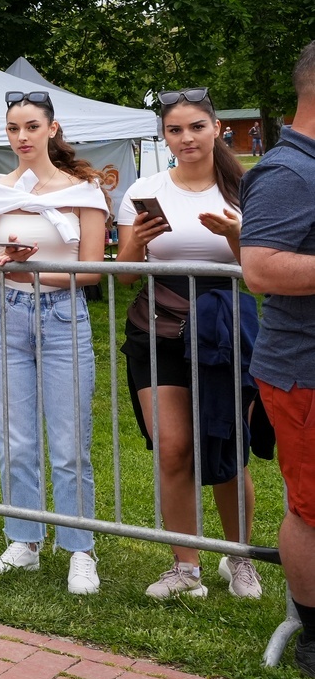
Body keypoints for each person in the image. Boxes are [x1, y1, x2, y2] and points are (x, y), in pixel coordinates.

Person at [116, 87, 263, 600]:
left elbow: (261, 272)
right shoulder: (145, 188)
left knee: (227, 444)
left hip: (224, 330)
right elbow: (123, 276)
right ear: (164, 136)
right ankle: (186, 566)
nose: (186, 138)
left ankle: (239, 558)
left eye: (197, 127)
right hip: (157, 329)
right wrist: (135, 243)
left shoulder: (246, 188)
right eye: (174, 130)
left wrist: (234, 236)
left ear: (217, 128)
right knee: (174, 448)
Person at [0, 90, 108, 595]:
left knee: (70, 443)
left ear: (52, 128)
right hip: (5, 315)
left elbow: (91, 272)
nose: (22, 137)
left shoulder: (84, 190)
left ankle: (80, 549)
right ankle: (24, 540)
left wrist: (32, 267)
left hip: (64, 316)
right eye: (13, 128)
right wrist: (7, 265)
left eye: (31, 126)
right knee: (15, 439)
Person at [240, 41, 315, 675]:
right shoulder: (287, 171)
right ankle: (313, 635)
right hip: (303, 372)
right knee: (311, 509)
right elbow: (261, 268)